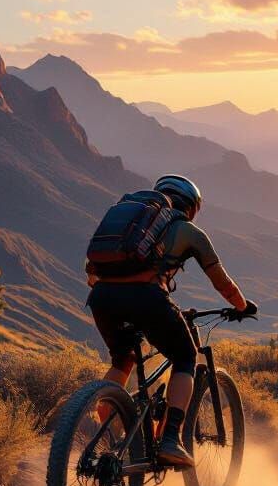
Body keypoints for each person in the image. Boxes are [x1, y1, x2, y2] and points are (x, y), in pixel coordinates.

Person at [87, 175, 257, 468]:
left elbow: (92, 274)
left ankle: (115, 436)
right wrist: (242, 306)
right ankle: (170, 439)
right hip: (148, 298)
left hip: (102, 297)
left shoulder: (131, 227)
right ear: (191, 207)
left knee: (122, 360)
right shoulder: (189, 232)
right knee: (185, 356)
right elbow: (223, 284)